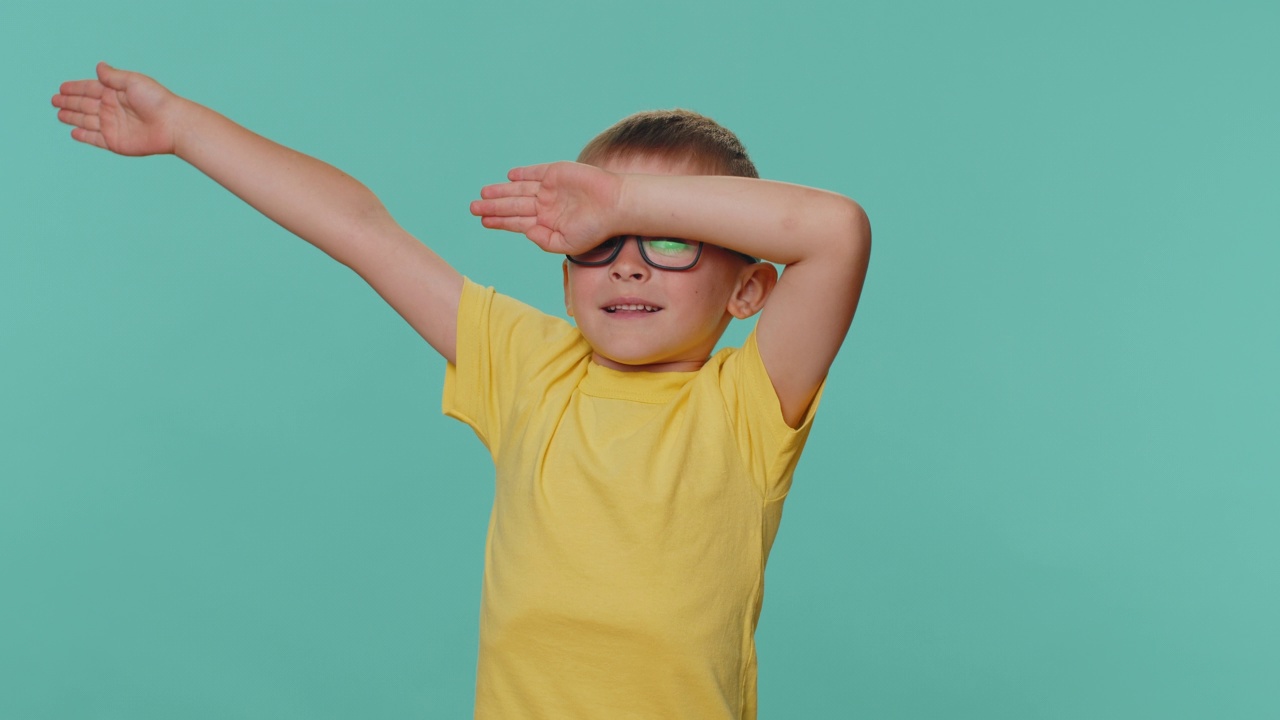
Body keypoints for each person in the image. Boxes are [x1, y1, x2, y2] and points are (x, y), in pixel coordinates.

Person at [53, 61, 871, 719]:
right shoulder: (528, 366)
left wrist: (619, 197)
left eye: (671, 241)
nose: (627, 262)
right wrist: (186, 129)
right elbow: (363, 232)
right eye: (597, 240)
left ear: (749, 292)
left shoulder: (749, 402)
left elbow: (835, 232)